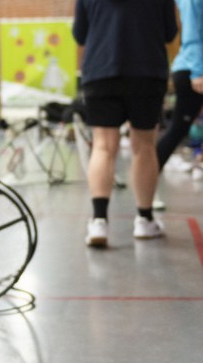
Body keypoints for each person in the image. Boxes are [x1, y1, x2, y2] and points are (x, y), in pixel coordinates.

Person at [73, 0, 177, 247]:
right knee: (143, 146)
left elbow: (80, 34)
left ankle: (99, 221)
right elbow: (169, 33)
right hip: (146, 71)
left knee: (103, 146)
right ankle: (144, 219)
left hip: (101, 70)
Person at [156, 0, 203, 176]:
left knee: (178, 129)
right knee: (177, 129)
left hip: (194, 67)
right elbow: (191, 34)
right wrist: (197, 72)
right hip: (192, 69)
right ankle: (147, 180)